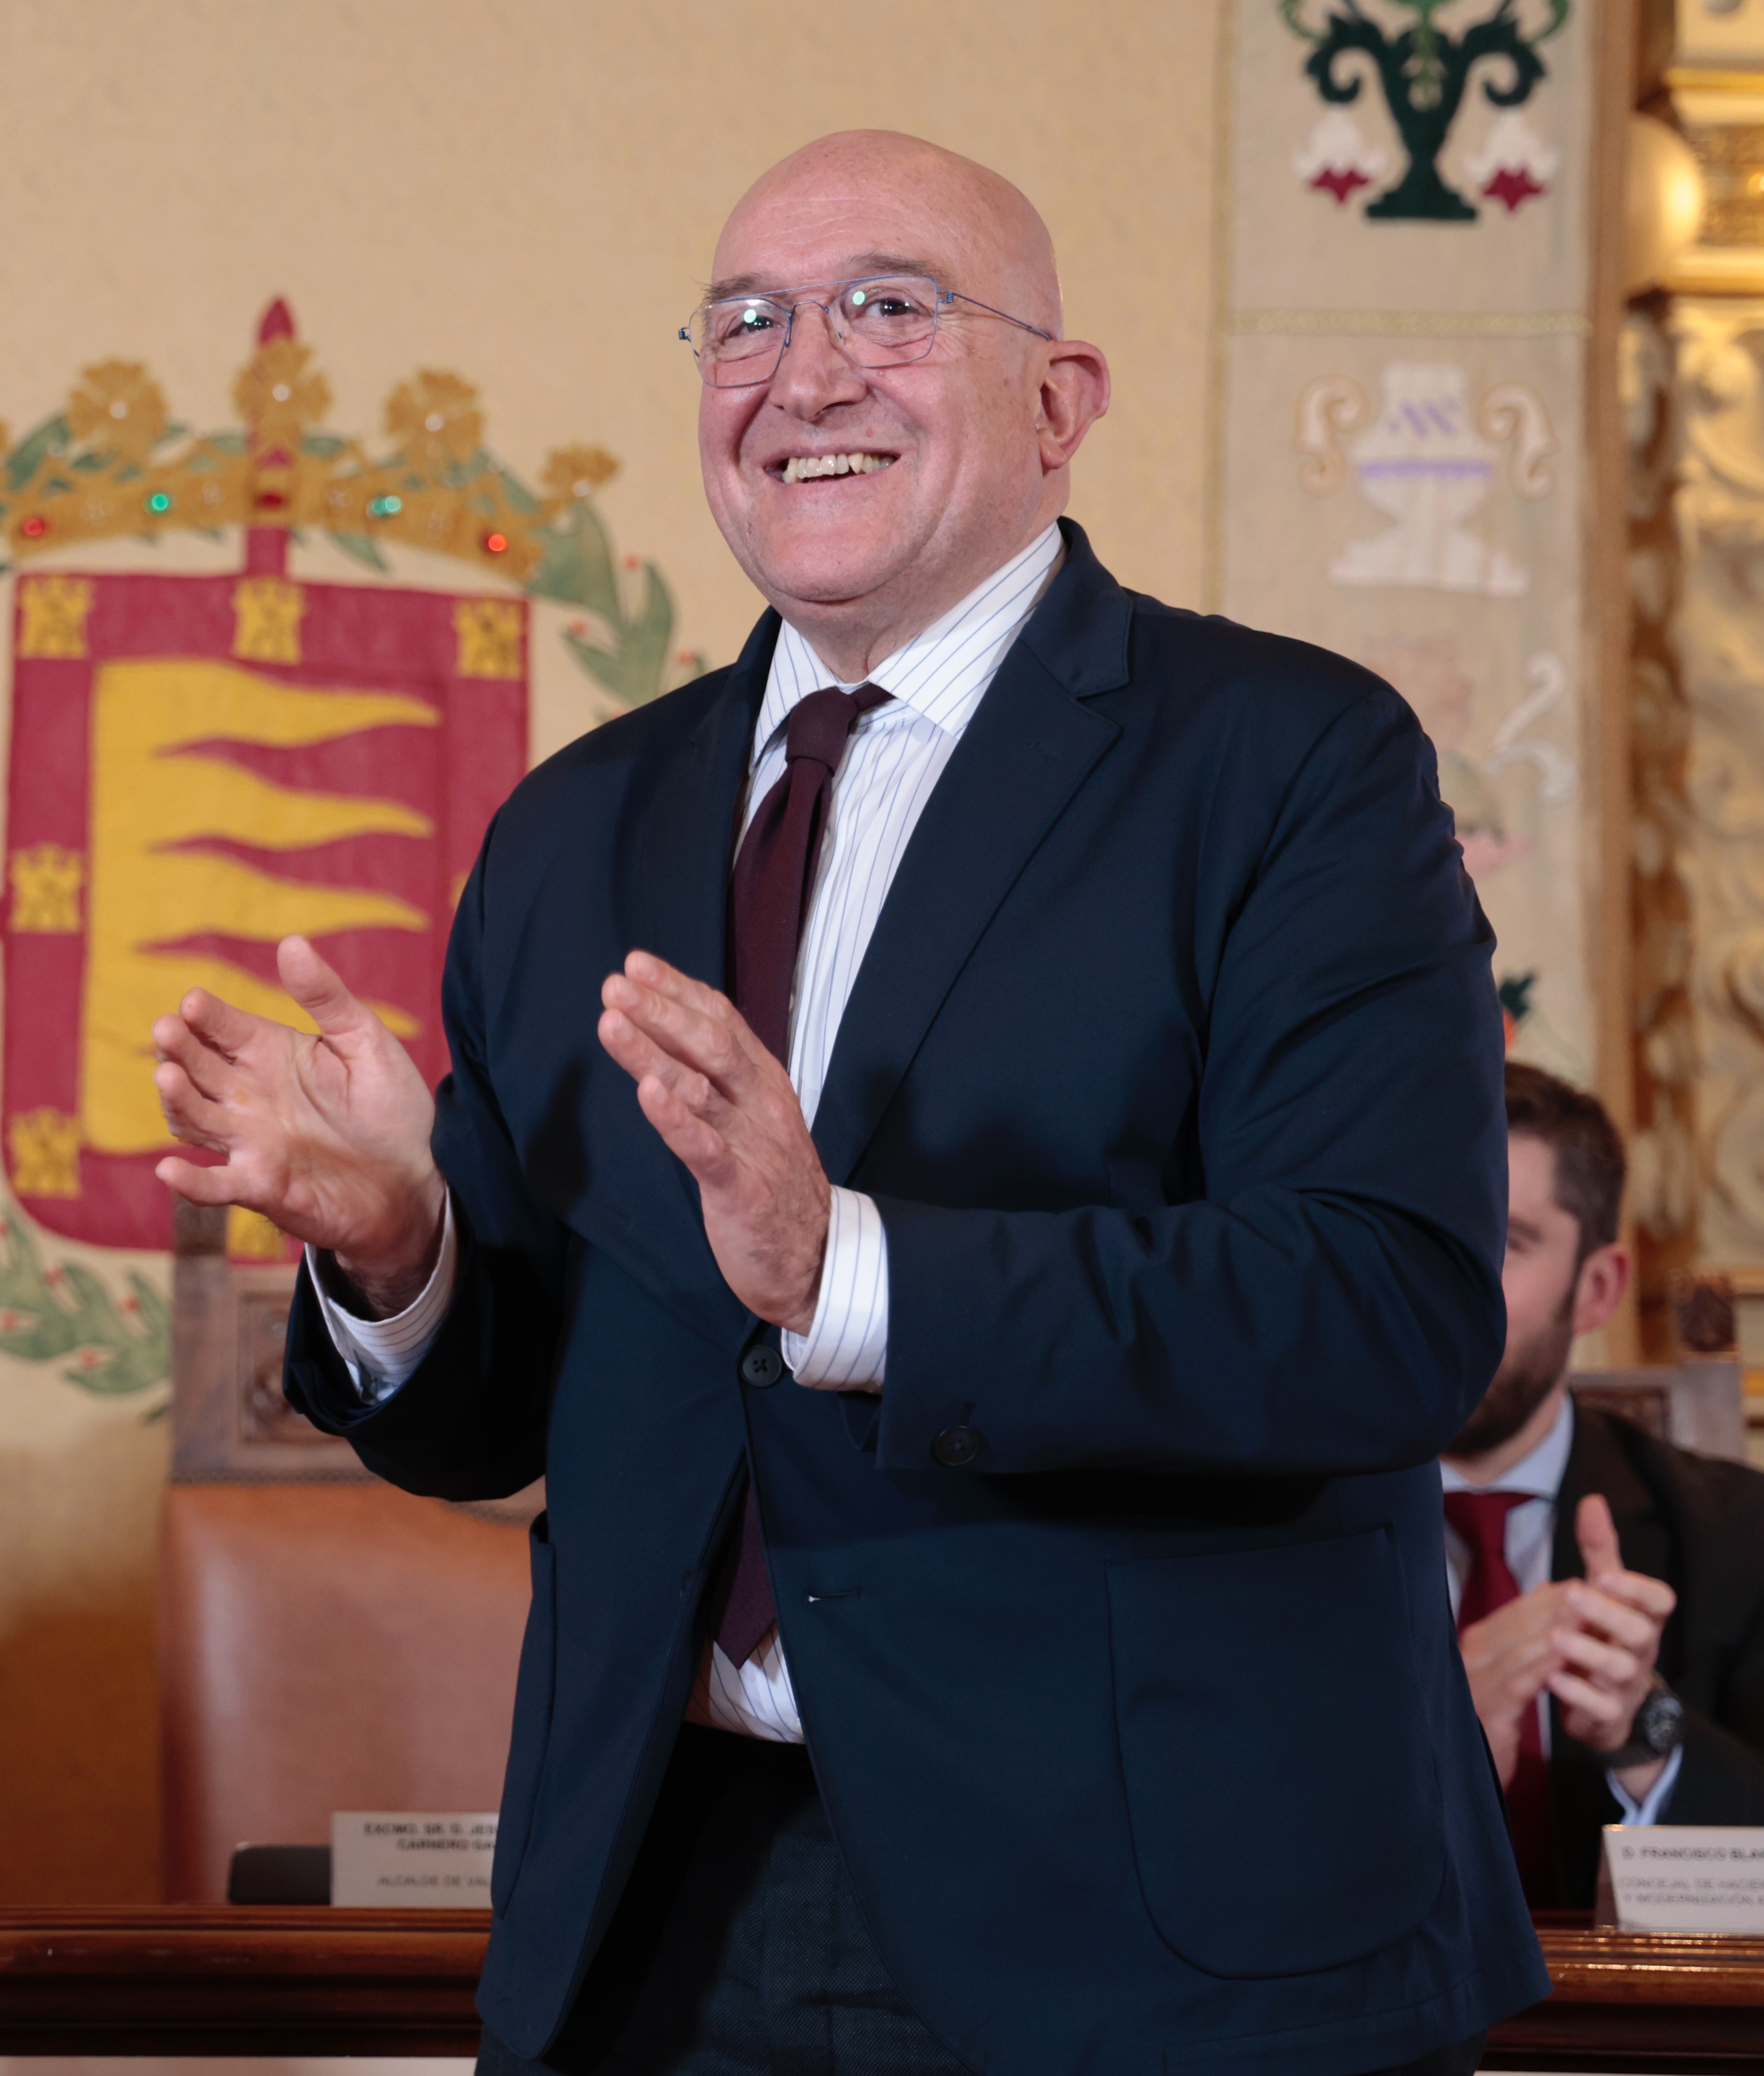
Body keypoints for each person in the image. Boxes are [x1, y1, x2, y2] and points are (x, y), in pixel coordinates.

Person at [153, 131, 1536, 2075]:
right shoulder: (574, 825)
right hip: (659, 1904)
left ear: (1057, 402)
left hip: (1152, 1922)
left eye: (886, 307)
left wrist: (851, 1267)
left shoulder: (1288, 762)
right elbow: (509, 1417)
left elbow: (1382, 1312)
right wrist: (399, 1247)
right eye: (741, 322)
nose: (798, 374)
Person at [1444, 1063, 1764, 1907]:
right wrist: (1425, 1739)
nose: (1445, 1287)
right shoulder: (1270, 1522)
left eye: (1503, 1243)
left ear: (1598, 1288)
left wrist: (1645, 1737)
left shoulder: (1738, 1533)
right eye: (1424, 1237)